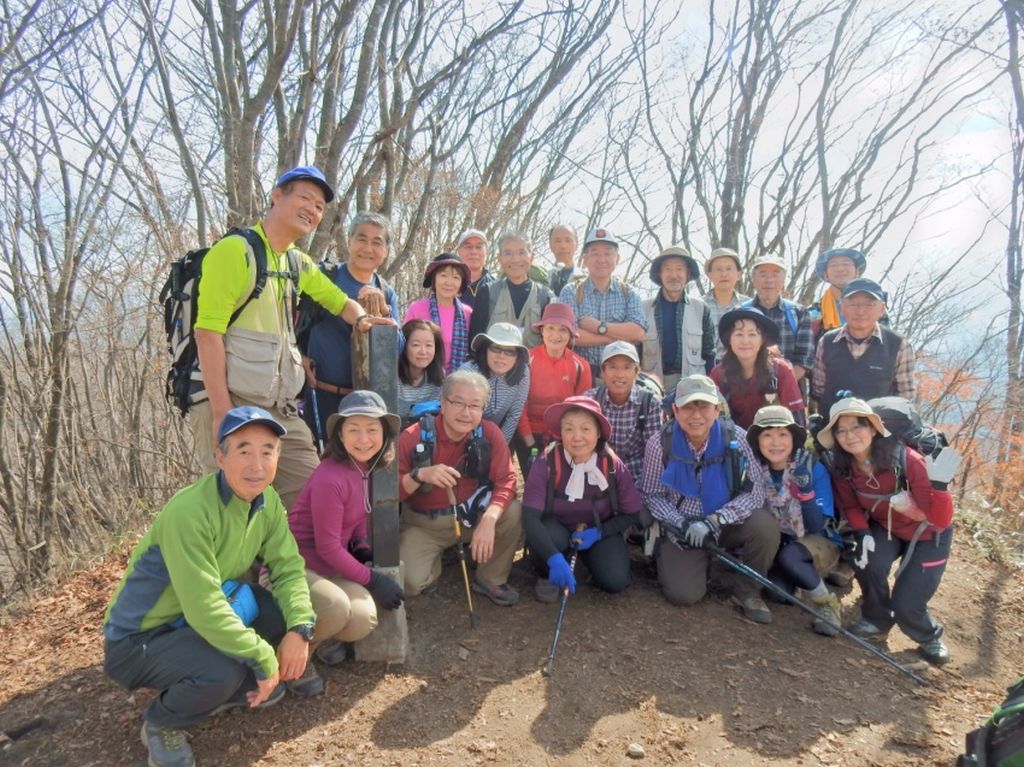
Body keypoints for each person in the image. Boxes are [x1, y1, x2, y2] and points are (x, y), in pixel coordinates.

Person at [103, 407, 316, 767]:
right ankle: (163, 722)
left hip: (196, 617)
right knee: (223, 671)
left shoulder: (267, 502)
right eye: (244, 451)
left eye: (268, 451)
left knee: (279, 616)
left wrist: (300, 629)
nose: (257, 464)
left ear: (278, 456)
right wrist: (264, 659)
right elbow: (204, 608)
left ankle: (228, 688)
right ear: (220, 457)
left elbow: (288, 568)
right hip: (139, 639)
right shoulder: (190, 512)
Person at [191, 166, 380, 511]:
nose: (312, 209)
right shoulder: (235, 251)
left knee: (312, 498)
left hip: (281, 406)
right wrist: (222, 412)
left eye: (320, 206)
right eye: (305, 198)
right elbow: (207, 333)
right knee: (233, 506)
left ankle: (295, 567)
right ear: (277, 196)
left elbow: (339, 302)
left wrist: (365, 318)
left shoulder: (297, 263)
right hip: (232, 398)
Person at [817, 397, 953, 665]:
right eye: (841, 430)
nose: (850, 436)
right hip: (886, 526)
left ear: (873, 428)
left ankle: (928, 635)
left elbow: (940, 519)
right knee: (865, 561)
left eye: (857, 427)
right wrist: (862, 532)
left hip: (929, 535)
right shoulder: (843, 468)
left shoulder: (906, 460)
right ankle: (876, 619)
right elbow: (851, 506)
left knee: (907, 604)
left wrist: (939, 488)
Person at [286, 391, 405, 695]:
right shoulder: (331, 476)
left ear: (384, 434)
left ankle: (322, 636)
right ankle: (294, 659)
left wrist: (362, 547)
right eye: (354, 429)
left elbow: (352, 525)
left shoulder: (363, 469)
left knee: (364, 618)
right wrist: (373, 579)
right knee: (338, 608)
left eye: (372, 429)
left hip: (328, 567)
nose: (363, 438)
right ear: (340, 435)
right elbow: (327, 546)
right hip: (296, 567)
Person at [640, 375, 778, 623]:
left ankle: (748, 590)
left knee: (764, 526)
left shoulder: (737, 438)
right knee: (683, 595)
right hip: (683, 528)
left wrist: (715, 520)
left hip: (726, 522)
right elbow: (651, 493)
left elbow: (755, 492)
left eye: (703, 406)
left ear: (717, 409)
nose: (696, 415)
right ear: (675, 409)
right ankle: (683, 558)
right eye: (688, 407)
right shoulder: (659, 443)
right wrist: (680, 523)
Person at [398, 370, 523, 605]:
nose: (466, 413)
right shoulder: (413, 437)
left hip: (470, 516)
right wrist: (421, 474)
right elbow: (391, 492)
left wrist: (488, 520)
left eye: (475, 405)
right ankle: (437, 562)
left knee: (512, 512)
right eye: (458, 403)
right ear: (443, 403)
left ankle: (490, 578)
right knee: (409, 583)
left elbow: (507, 481)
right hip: (425, 525)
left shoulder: (488, 433)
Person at [522, 396, 644, 602]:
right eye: (568, 429)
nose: (576, 437)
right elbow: (530, 517)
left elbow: (632, 512)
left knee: (615, 581)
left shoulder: (612, 464)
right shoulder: (547, 461)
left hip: (597, 530)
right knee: (549, 537)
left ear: (598, 433)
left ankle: (585, 559)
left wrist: (600, 533)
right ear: (560, 433)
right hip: (557, 528)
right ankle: (550, 568)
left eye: (586, 429)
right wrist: (553, 559)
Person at [301, 212, 402, 443]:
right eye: (361, 239)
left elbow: (397, 351)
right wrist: (299, 356)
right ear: (349, 241)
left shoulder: (386, 291)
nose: (368, 248)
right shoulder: (325, 276)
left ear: (386, 251)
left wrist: (383, 311)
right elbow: (290, 322)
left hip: (366, 403)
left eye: (377, 242)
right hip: (321, 395)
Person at [746, 405, 843, 635]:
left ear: (793, 438)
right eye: (767, 434)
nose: (775, 442)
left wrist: (806, 493)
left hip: (819, 541)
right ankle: (799, 580)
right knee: (777, 593)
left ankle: (826, 604)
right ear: (758, 441)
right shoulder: (755, 470)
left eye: (783, 434)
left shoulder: (811, 468)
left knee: (792, 557)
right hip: (780, 542)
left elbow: (816, 526)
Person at [811, 278, 916, 418]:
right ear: (842, 308)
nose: (860, 311)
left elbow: (906, 399)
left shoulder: (898, 345)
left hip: (882, 432)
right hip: (833, 429)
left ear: (881, 309)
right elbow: (818, 391)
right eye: (853, 304)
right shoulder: (827, 342)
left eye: (869, 305)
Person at [558, 227, 647, 379]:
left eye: (607, 253)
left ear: (617, 258)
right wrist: (618, 336)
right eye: (595, 253)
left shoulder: (629, 293)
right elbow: (571, 337)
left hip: (620, 376)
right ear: (585, 259)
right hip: (580, 373)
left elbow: (638, 333)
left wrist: (599, 327)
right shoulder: (571, 291)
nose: (601, 259)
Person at [517, 302, 593, 469]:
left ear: (571, 334)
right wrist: (530, 443)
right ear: (542, 330)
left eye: (563, 329)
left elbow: (580, 410)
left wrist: (563, 440)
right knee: (534, 486)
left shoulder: (581, 366)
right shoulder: (526, 360)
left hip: (563, 435)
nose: (555, 335)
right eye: (550, 328)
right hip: (528, 433)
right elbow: (520, 405)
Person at [709, 306, 805, 429]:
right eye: (739, 334)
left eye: (752, 334)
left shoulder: (781, 370)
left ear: (762, 340)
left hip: (773, 441)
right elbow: (712, 418)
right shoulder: (719, 374)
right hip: (733, 440)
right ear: (729, 339)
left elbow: (796, 420)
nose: (745, 341)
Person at [584, 341, 662, 484]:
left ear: (636, 372)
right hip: (596, 479)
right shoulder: (589, 400)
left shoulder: (651, 404)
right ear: (603, 372)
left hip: (637, 481)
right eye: (612, 367)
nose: (620, 375)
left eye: (627, 368)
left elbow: (654, 457)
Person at [640, 246, 715, 392]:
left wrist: (710, 387)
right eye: (667, 269)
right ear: (660, 274)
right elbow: (635, 352)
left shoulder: (700, 308)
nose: (674, 275)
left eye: (679, 269)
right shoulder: (644, 308)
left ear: (688, 273)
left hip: (693, 385)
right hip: (652, 385)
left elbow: (709, 353)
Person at [469, 231, 554, 347]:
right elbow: (475, 340)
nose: (515, 259)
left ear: (532, 257)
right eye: (508, 253)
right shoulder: (487, 292)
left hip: (532, 364)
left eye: (521, 252)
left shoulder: (545, 296)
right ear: (499, 258)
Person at [744, 254, 815, 382]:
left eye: (775, 274)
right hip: (746, 387)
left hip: (789, 388)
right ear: (753, 279)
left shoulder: (799, 313)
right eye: (763, 274)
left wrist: (781, 386)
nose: (769, 280)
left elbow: (805, 359)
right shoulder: (739, 312)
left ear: (783, 280)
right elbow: (730, 355)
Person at [459, 322, 530, 444]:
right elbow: (459, 414)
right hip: (463, 435)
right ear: (486, 349)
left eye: (509, 351)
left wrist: (498, 447)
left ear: (517, 356)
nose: (501, 356)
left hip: (497, 434)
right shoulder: (468, 372)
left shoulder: (523, 372)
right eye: (495, 348)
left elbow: (514, 415)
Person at [404, 252, 473, 373]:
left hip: (457, 380)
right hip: (421, 379)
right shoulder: (416, 308)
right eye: (443, 275)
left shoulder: (468, 313)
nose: (449, 282)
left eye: (456, 277)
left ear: (461, 283)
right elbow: (403, 346)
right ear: (434, 279)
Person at [703, 247, 751, 359]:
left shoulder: (749, 306)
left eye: (729, 269)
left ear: (738, 274)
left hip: (740, 368)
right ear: (710, 275)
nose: (724, 274)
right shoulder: (698, 305)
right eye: (718, 269)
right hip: (703, 369)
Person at [810, 247, 867, 339]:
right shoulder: (814, 311)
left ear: (857, 272)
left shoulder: (873, 306)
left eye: (846, 264)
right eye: (834, 265)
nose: (840, 269)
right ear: (826, 275)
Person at [397, 319, 446, 426]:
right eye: (416, 345)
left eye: (428, 345)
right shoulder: (391, 376)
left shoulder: (439, 376)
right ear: (404, 346)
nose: (423, 351)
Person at [456, 228, 492, 308]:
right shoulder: (448, 285)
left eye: (479, 247)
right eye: (468, 247)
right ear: (459, 251)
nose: (474, 252)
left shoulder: (496, 286)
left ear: (487, 252)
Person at [547, 224, 579, 297]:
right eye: (558, 241)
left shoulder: (587, 279)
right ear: (550, 245)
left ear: (577, 244)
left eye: (568, 240)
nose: (563, 246)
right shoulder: (542, 279)